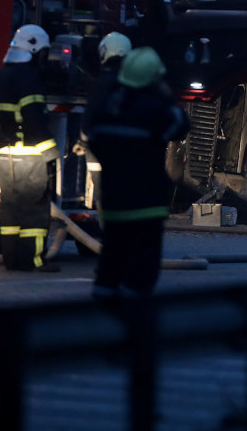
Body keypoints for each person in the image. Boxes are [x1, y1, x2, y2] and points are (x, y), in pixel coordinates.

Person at [88, 47, 190, 299]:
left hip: (114, 203)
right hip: (146, 205)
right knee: (141, 273)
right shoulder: (155, 109)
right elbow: (180, 126)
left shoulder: (107, 107)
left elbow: (94, 140)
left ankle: (102, 318)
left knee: (110, 265)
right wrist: (167, 96)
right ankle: (134, 323)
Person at [0, 25, 61, 272]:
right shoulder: (28, 77)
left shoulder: (2, 74)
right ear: (33, 49)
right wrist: (52, 154)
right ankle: (33, 260)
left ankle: (11, 259)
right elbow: (35, 119)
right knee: (34, 210)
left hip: (4, 152)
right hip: (29, 155)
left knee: (10, 209)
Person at [76, 32, 133, 208]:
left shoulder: (101, 82)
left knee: (104, 200)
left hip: (99, 153)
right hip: (125, 154)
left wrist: (82, 142)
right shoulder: (133, 83)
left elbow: (89, 119)